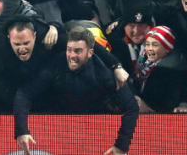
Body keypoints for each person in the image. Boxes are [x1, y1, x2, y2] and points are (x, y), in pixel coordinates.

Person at [12, 26, 138, 155]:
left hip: (97, 128)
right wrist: (21, 131)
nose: (71, 56)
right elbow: (24, 93)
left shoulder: (104, 73)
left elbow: (132, 107)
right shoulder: (56, 63)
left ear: (90, 53)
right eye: (69, 50)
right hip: (58, 126)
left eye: (78, 51)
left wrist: (121, 146)